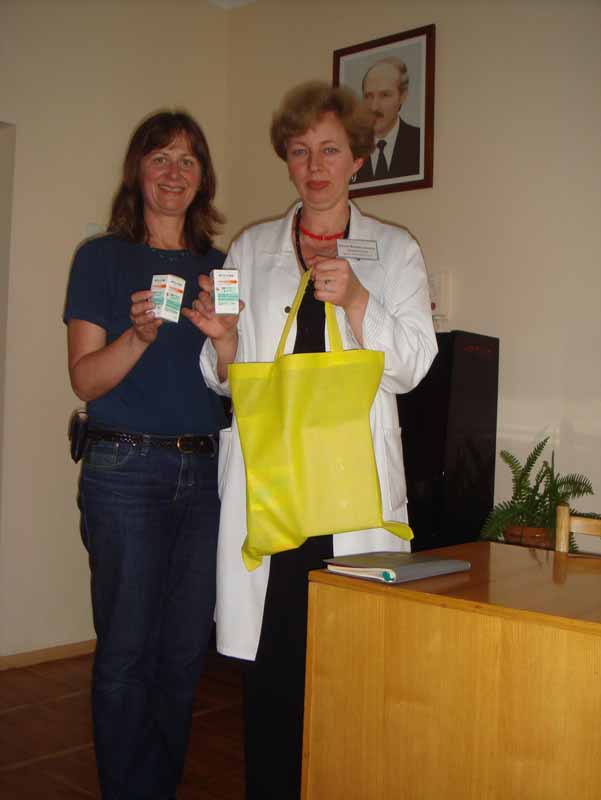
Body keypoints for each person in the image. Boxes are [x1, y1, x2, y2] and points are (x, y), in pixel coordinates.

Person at [187, 81, 437, 800]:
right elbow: (224, 377)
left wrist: (357, 299)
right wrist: (223, 341)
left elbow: (414, 366)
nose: (314, 165)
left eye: (330, 150)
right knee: (271, 674)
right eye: (300, 152)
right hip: (274, 491)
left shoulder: (394, 250)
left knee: (347, 676)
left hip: (349, 496)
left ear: (357, 158)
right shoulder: (248, 247)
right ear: (287, 161)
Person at [63, 110, 227, 800]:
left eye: (188, 160)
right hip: (124, 470)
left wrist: (226, 340)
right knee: (127, 651)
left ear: (202, 177)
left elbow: (239, 380)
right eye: (160, 157)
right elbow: (85, 380)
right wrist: (137, 337)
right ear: (138, 170)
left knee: (185, 651)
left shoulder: (221, 267)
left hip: (206, 470)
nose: (173, 172)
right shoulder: (101, 258)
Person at [355, 57, 421, 182]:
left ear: (402, 96)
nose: (374, 107)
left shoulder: (419, 142)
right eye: (368, 96)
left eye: (385, 95)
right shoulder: (352, 148)